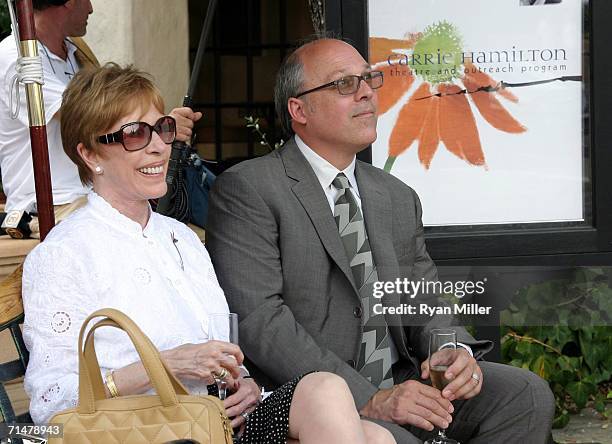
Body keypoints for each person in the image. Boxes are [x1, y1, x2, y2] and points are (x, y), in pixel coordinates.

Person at [21, 63, 395, 444]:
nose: (158, 146)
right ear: (89, 154)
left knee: (340, 403)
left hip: (222, 422)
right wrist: (164, 365)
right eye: (134, 134)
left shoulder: (180, 238)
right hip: (151, 431)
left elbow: (223, 349)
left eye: (162, 129)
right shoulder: (65, 254)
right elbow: (52, 404)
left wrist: (246, 383)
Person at [206, 38, 556, 443]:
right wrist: (369, 398)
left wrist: (454, 351)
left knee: (525, 395)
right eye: (343, 84)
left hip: (404, 379)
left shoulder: (395, 196)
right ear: (299, 109)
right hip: (313, 400)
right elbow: (260, 320)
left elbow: (423, 299)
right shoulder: (250, 188)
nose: (367, 92)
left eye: (369, 79)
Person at [0, 0, 200, 236]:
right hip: (55, 205)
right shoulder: (16, 58)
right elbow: (88, 117)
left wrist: (160, 125)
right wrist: (160, 126)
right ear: (69, 2)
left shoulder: (75, 52)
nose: (92, 8)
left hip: (95, 197)